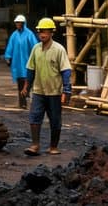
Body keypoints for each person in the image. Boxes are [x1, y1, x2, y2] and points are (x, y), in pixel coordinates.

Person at [21, 17, 71, 156]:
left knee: (55, 119)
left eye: (45, 32)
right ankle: (35, 145)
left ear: (51, 33)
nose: (42, 34)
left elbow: (66, 71)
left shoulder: (59, 50)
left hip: (54, 92)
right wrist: (26, 86)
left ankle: (53, 147)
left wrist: (66, 90)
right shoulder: (36, 49)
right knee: (34, 117)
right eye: (40, 32)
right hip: (38, 91)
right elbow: (30, 69)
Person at [4, 14, 38, 108]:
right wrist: (8, 57)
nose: (17, 24)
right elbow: (10, 46)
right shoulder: (14, 35)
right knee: (20, 83)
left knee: (28, 81)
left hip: (27, 62)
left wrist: (37, 57)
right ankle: (22, 103)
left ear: (23, 23)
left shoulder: (29, 34)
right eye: (16, 23)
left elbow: (35, 46)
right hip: (17, 64)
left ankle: (28, 98)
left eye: (19, 23)